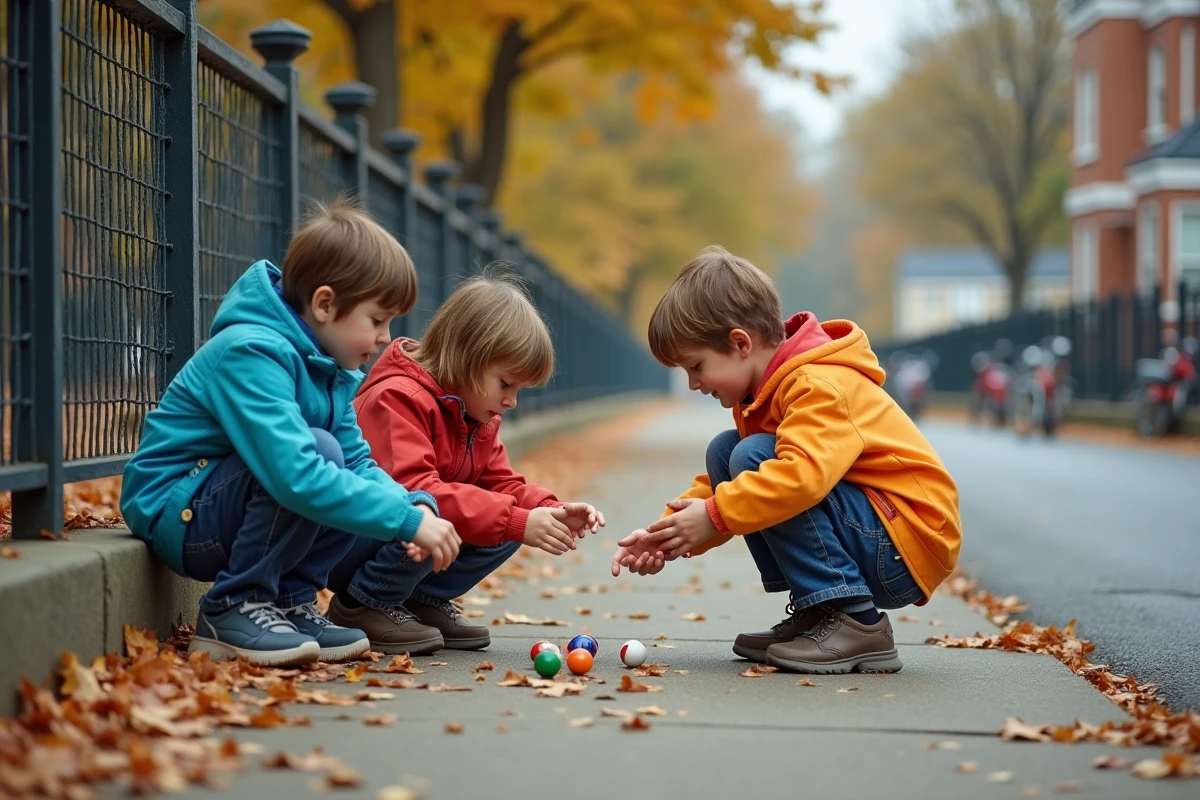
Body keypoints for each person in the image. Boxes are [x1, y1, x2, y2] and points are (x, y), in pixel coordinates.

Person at [120, 199, 460, 667]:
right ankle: (232, 607)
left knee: (338, 464)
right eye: (377, 320)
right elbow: (291, 474)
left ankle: (289, 602)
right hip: (177, 515)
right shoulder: (251, 352)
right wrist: (404, 522)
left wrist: (412, 505)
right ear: (325, 304)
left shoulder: (328, 368)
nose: (385, 338)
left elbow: (359, 462)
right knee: (316, 456)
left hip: (219, 504)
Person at [612, 245, 961, 674]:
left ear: (740, 343)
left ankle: (857, 621)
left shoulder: (818, 383)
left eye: (696, 366)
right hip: (875, 529)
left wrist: (715, 515)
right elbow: (723, 488)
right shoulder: (766, 389)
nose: (693, 384)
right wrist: (667, 532)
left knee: (753, 455)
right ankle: (821, 614)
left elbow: (801, 477)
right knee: (728, 452)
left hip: (904, 541)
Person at [327, 272, 604, 654]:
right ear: (467, 358)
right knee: (443, 511)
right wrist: (515, 519)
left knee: (508, 521)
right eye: (505, 384)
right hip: (347, 540)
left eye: (519, 390)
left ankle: (416, 600)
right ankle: (362, 604)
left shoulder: (478, 416)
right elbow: (414, 491)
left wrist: (548, 510)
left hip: (402, 539)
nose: (511, 401)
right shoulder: (397, 398)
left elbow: (503, 485)